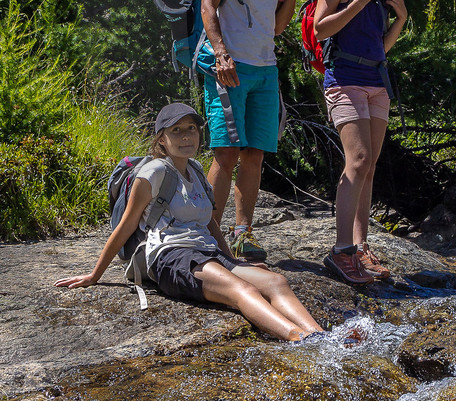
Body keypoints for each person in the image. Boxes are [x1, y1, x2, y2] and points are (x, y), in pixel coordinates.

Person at [56, 102, 321, 343]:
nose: (186, 136)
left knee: (276, 282)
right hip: (171, 256)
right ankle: (300, 338)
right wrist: (94, 276)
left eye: (191, 129)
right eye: (177, 130)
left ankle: (321, 336)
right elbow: (126, 226)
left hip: (206, 252)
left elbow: (210, 223)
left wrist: (232, 261)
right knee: (242, 289)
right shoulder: (152, 173)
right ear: (162, 139)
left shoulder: (195, 169)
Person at [196, 0, 298, 265]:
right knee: (226, 152)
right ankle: (205, 234)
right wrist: (221, 53)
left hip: (265, 69)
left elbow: (278, 27)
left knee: (255, 153)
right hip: (229, 66)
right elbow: (208, 6)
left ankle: (242, 234)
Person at [311, 0, 409, 284]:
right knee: (359, 159)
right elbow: (321, 29)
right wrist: (359, 1)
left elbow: (379, 48)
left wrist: (400, 19)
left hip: (375, 82)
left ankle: (360, 246)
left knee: (368, 165)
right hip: (344, 79)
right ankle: (341, 251)